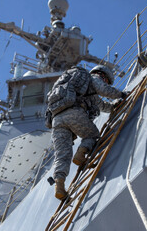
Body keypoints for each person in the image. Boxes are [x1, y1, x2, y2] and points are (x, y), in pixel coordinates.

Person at [47, 65, 127, 200]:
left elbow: (102, 106)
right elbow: (104, 90)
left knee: (62, 155)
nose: (105, 82)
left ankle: (59, 186)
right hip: (73, 112)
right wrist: (122, 95)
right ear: (103, 75)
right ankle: (81, 154)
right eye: (106, 80)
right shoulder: (94, 78)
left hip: (56, 120)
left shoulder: (77, 88)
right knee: (92, 135)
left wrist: (112, 107)